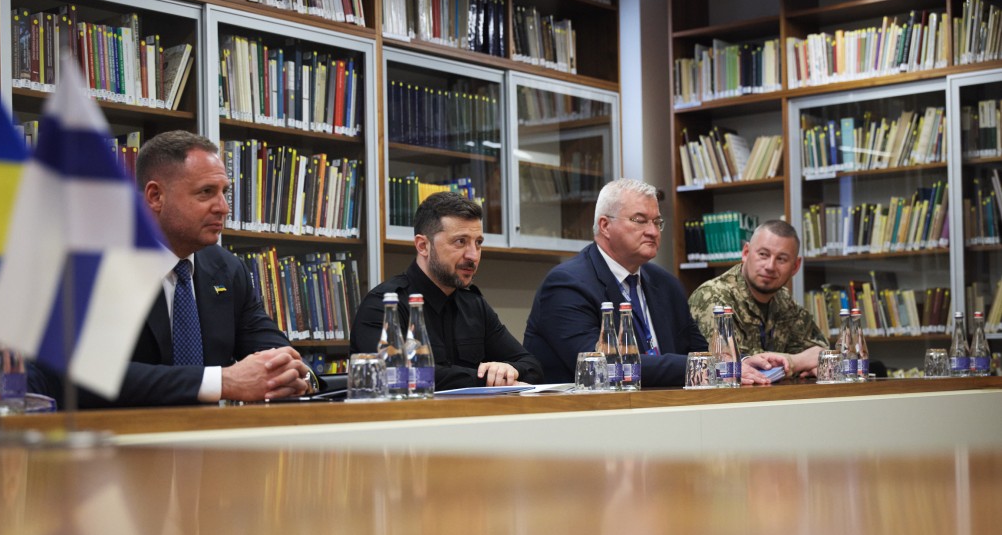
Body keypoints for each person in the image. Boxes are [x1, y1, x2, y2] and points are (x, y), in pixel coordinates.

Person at [28, 131, 312, 408]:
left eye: (224, 192)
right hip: (120, 435)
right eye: (206, 192)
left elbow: (273, 349)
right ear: (155, 196)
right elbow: (82, 375)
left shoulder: (226, 268)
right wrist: (222, 381)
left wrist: (297, 375)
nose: (223, 208)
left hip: (213, 435)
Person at [524, 178, 710, 387]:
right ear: (605, 226)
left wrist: (725, 364)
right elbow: (602, 366)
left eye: (657, 222)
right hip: (587, 406)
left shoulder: (667, 285)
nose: (653, 232)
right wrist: (693, 366)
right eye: (640, 220)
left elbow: (702, 355)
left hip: (666, 403)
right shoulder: (567, 285)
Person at [350, 191, 543, 389]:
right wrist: (486, 379)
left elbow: (532, 366)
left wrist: (508, 370)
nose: (473, 256)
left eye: (478, 243)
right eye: (460, 242)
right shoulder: (385, 305)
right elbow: (394, 375)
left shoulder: (474, 305)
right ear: (423, 246)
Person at [688, 219, 828, 377]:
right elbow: (728, 366)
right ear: (746, 253)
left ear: (795, 266)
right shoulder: (713, 296)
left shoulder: (783, 299)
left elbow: (821, 352)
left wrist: (805, 363)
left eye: (781, 259)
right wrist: (797, 363)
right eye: (763, 254)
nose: (770, 266)